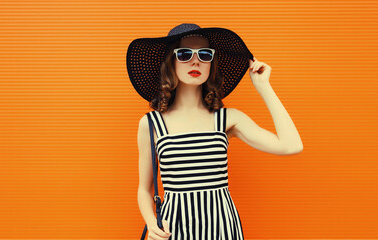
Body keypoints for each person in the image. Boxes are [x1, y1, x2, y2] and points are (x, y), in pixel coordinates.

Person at [128, 23, 303, 240]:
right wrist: (151, 222)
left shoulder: (228, 119)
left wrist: (264, 87)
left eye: (204, 54)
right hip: (173, 230)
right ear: (171, 63)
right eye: (184, 54)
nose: (195, 61)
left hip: (222, 229)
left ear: (211, 63)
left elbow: (291, 145)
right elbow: (144, 189)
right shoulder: (151, 123)